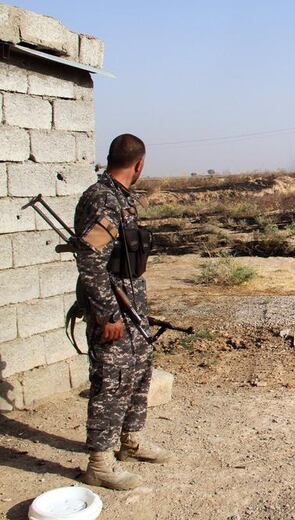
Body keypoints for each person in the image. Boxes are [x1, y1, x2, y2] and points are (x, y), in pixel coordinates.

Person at [74, 134, 170, 491]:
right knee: (111, 379)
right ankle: (99, 462)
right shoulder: (102, 200)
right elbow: (90, 260)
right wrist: (106, 314)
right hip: (112, 309)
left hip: (132, 305)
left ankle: (130, 441)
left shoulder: (122, 198)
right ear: (139, 164)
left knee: (139, 369)